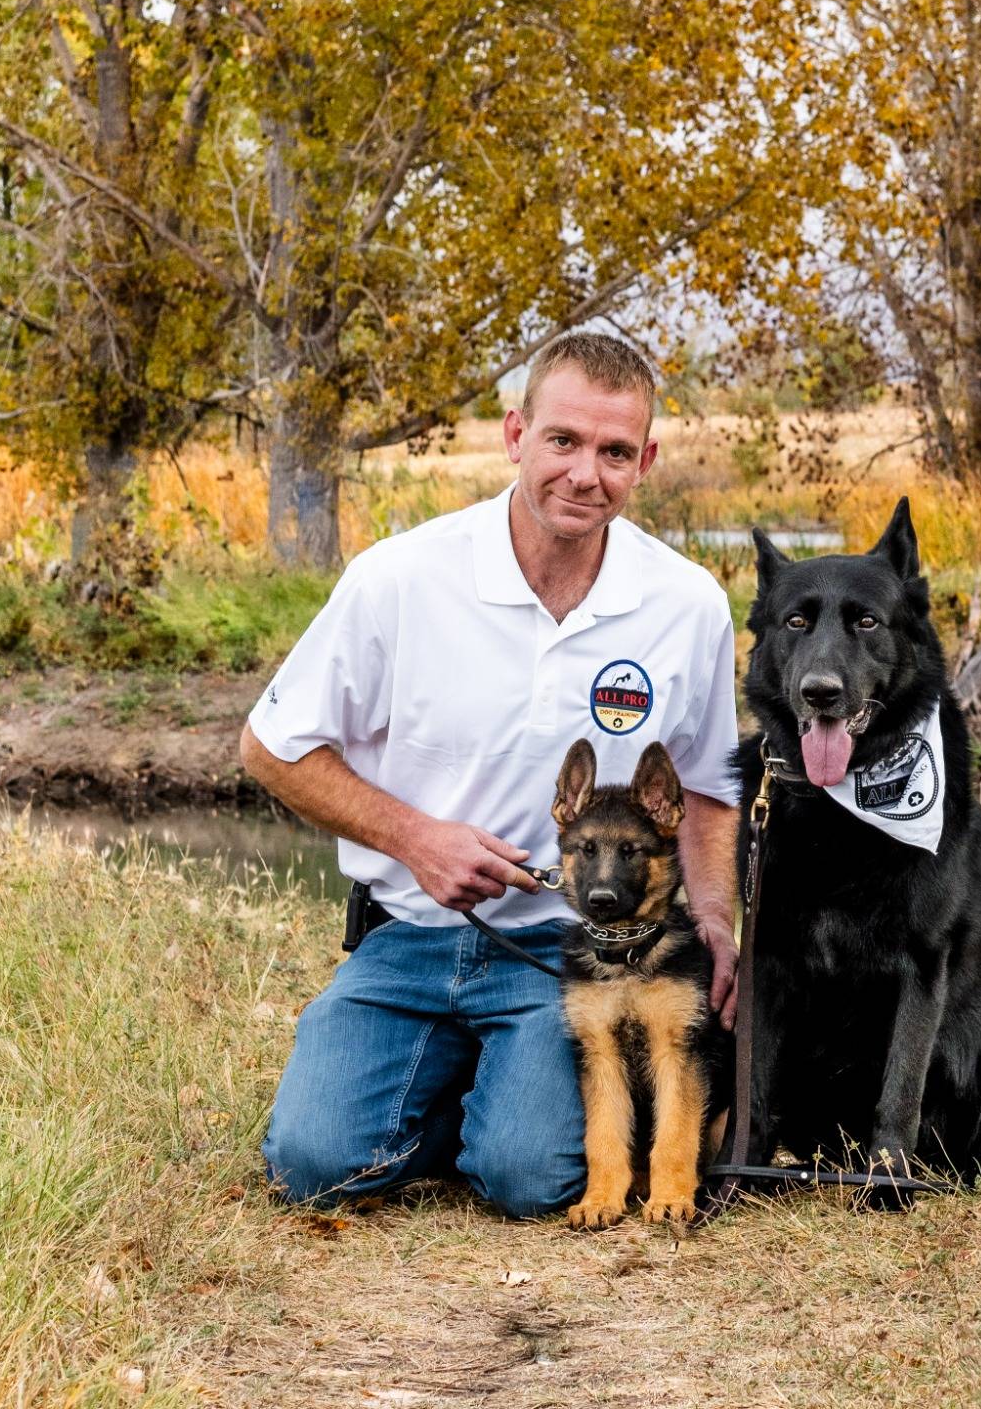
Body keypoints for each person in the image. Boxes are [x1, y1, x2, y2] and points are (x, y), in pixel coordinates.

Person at [240, 332, 740, 1219]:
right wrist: (413, 839)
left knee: (531, 1179)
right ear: (515, 434)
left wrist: (711, 923)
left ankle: (502, 1098)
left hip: (565, 951)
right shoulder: (398, 577)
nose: (586, 474)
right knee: (311, 1168)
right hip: (407, 934)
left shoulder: (686, 600)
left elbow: (704, 788)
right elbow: (271, 748)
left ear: (646, 462)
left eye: (614, 451)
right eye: (563, 441)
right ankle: (460, 1088)